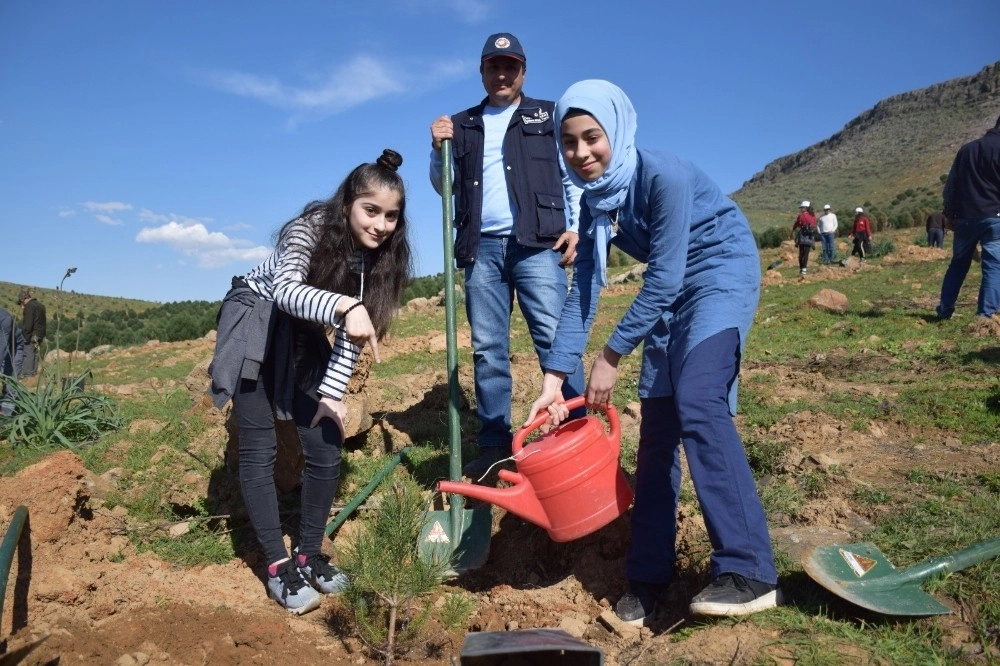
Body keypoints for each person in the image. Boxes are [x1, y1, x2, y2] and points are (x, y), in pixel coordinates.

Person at [525, 80, 779, 625]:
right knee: (659, 425)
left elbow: (663, 276)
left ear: (616, 130)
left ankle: (749, 569)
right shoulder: (596, 204)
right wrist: (553, 377)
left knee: (698, 398)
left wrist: (610, 355)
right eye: (568, 143)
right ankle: (647, 577)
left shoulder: (664, 175)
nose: (581, 153)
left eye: (592, 137)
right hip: (669, 294)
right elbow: (585, 294)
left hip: (717, 272)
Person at [208, 149, 413, 614]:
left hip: (300, 331)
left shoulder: (374, 263)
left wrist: (331, 394)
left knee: (324, 443)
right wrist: (344, 307)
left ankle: (309, 553)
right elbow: (284, 291)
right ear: (347, 205)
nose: (381, 225)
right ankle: (278, 566)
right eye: (371, 210)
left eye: (391, 216)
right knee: (259, 448)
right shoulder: (310, 229)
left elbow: (352, 338)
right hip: (256, 319)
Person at [428, 32, 585, 479]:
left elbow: (571, 173)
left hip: (539, 244)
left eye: (510, 66)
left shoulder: (548, 115)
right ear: (482, 72)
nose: (502, 74)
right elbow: (446, 187)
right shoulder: (462, 125)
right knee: (488, 350)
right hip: (483, 250)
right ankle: (495, 445)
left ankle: (576, 428)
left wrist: (575, 226)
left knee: (557, 340)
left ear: (523, 71)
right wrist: (436, 149)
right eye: (494, 67)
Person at [936, 114, 1000, 320]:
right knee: (993, 265)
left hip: (965, 218)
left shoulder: (967, 149)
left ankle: (945, 309)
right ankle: (985, 316)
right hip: (995, 216)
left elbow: (951, 185)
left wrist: (948, 214)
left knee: (958, 264)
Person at [1, 307, 26, 416]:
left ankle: (7, 416)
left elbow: (3, 346)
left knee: (10, 381)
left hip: (14, 348)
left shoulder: (5, 319)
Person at [17, 289, 46, 377]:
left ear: (23, 299)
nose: (22, 306)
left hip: (31, 335)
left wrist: (24, 336)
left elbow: (28, 324)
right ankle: (34, 373)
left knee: (28, 354)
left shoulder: (29, 306)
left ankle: (27, 375)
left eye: (21, 303)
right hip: (40, 334)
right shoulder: (41, 305)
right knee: (35, 354)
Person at [791, 201, 816, 275]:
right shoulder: (813, 216)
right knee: (806, 253)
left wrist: (792, 231)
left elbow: (797, 224)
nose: (801, 209)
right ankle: (804, 269)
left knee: (801, 253)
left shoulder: (801, 216)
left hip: (802, 235)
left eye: (802, 207)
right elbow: (813, 225)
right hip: (810, 236)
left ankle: (802, 268)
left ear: (806, 208)